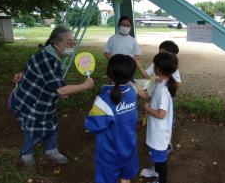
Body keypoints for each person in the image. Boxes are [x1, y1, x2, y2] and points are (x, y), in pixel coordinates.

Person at [12, 26, 94, 166]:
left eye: (74, 42)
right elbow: (61, 90)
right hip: (33, 102)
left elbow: (40, 74)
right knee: (35, 130)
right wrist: (85, 85)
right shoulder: (48, 59)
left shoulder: (49, 54)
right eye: (69, 42)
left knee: (51, 126)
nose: (73, 45)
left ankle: (51, 151)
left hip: (44, 100)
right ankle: (26, 154)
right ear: (56, 43)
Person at [84, 54, 139, 183]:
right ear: (131, 76)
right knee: (126, 177)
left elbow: (93, 126)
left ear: (108, 74)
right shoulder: (133, 92)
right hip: (129, 148)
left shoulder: (103, 100)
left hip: (109, 154)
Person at [137, 52, 178, 183]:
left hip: (159, 133)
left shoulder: (162, 90)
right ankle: (156, 173)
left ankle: (161, 180)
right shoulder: (161, 85)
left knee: (161, 161)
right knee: (157, 158)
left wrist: (147, 108)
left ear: (158, 69)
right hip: (159, 131)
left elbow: (161, 114)